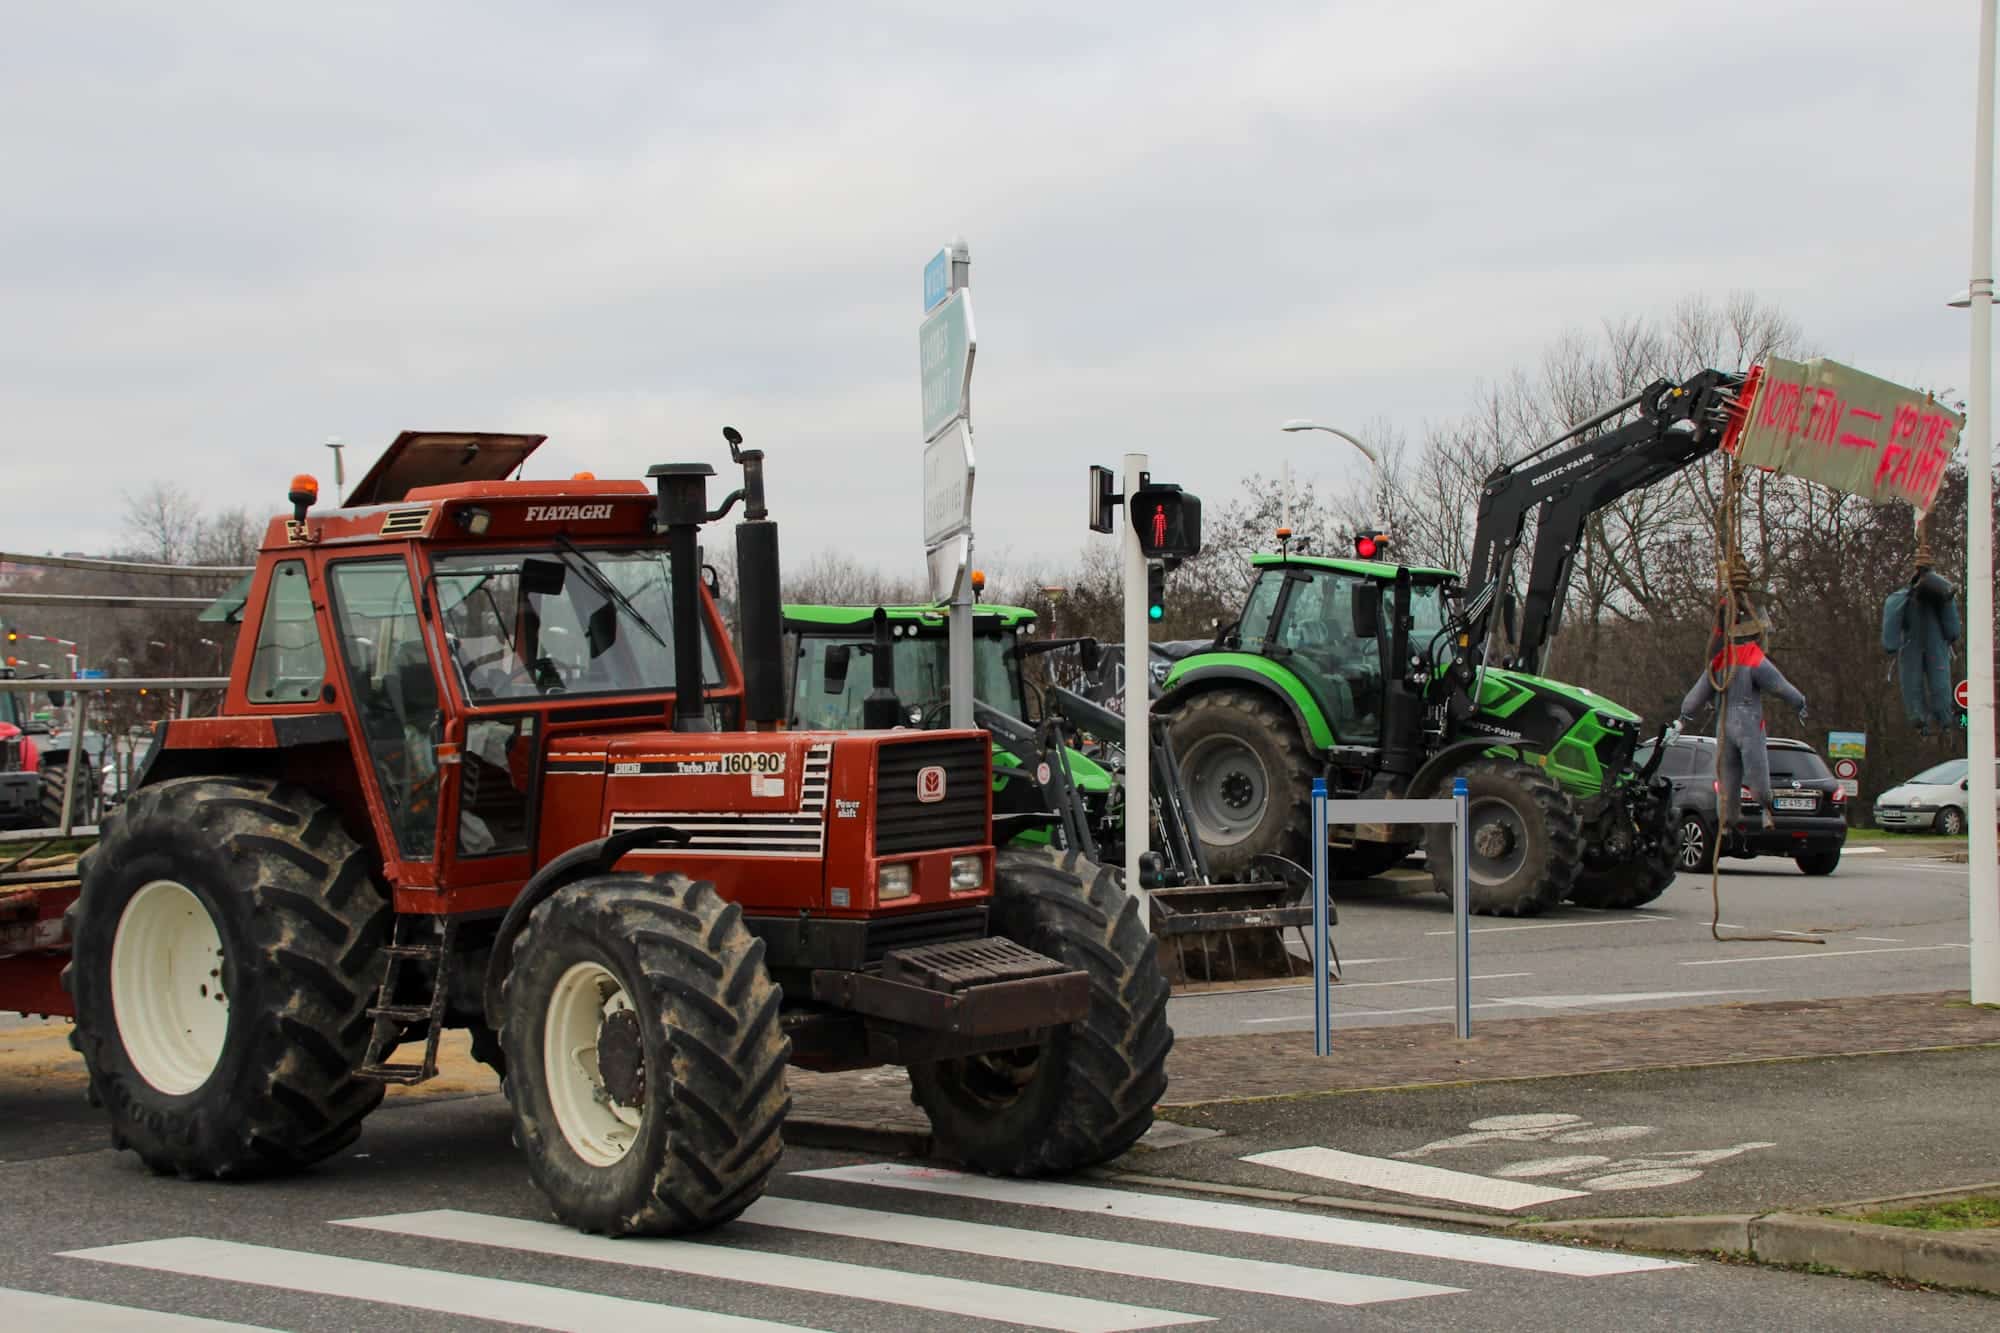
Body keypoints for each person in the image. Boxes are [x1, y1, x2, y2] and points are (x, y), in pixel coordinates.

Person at [1676, 596, 1808, 832]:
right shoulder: (1753, 657)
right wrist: (1799, 702)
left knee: (1727, 774)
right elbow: (1780, 685)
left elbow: (1696, 695)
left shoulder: (1718, 661)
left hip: (1724, 721)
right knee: (1757, 767)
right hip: (1748, 720)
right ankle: (1765, 809)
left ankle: (1727, 818)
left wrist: (1686, 715)